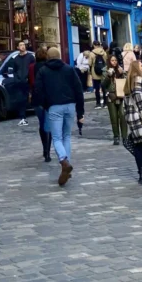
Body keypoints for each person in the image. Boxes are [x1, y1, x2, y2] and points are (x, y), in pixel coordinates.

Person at [32, 46, 84, 186]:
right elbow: (78, 89)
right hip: (70, 105)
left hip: (54, 106)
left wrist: (45, 104)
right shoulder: (68, 69)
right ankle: (66, 164)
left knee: (56, 137)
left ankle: (63, 160)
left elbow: (38, 90)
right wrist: (80, 111)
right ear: (60, 56)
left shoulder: (43, 71)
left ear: (48, 57)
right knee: (66, 136)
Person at [29, 45, 52, 162]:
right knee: (49, 125)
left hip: (37, 98)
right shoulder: (48, 67)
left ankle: (45, 149)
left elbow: (30, 82)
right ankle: (48, 151)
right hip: (48, 98)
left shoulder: (32, 67)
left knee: (42, 124)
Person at [102, 54, 128, 145]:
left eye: (115, 60)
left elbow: (126, 81)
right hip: (111, 96)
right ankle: (116, 136)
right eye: (112, 60)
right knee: (114, 118)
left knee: (123, 115)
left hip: (121, 95)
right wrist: (109, 76)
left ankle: (125, 137)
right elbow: (103, 84)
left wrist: (123, 73)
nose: (114, 62)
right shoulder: (105, 70)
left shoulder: (120, 69)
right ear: (109, 61)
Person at [11, 40, 34, 126]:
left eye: (24, 45)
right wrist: (16, 79)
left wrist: (30, 79)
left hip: (28, 81)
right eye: (21, 45)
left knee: (28, 99)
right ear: (18, 47)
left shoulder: (30, 57)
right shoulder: (16, 59)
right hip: (19, 82)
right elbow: (14, 71)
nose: (23, 46)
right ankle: (22, 117)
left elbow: (32, 69)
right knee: (20, 99)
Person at [89, 41, 107, 107]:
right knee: (104, 88)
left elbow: (90, 63)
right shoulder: (104, 52)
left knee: (97, 89)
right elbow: (106, 61)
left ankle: (98, 103)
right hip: (103, 71)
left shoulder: (91, 53)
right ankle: (105, 103)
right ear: (99, 45)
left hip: (95, 72)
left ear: (94, 45)